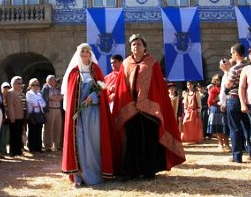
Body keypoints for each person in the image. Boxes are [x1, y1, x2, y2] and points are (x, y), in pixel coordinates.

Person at [112, 34, 185, 179]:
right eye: (133, 44)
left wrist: (150, 103)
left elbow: (158, 87)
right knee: (132, 141)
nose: (136, 46)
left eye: (139, 44)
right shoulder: (126, 64)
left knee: (149, 141)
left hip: (149, 111)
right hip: (131, 110)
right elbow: (121, 86)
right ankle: (131, 171)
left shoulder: (153, 63)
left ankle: (148, 170)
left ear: (145, 47)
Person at [61, 43, 115, 186]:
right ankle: (79, 177)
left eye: (87, 52)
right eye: (82, 51)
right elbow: (70, 94)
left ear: (90, 54)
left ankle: (95, 174)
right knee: (78, 142)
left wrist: (94, 96)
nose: (85, 54)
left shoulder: (95, 70)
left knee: (94, 142)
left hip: (93, 113)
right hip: (78, 115)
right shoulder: (73, 72)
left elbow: (103, 91)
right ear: (78, 54)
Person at [225, 43, 251, 163]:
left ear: (236, 54)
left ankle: (237, 156)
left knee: (235, 128)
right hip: (248, 98)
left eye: (232, 53)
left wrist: (226, 71)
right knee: (249, 127)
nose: (231, 55)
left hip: (235, 98)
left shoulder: (234, 69)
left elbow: (228, 84)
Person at [207, 74, 230, 152]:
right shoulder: (225, 88)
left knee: (219, 129)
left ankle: (221, 145)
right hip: (222, 109)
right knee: (224, 128)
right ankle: (226, 145)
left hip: (216, 109)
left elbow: (210, 101)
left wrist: (211, 107)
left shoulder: (213, 89)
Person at [43, 75, 63, 152]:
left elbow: (60, 97)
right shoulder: (46, 89)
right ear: (49, 81)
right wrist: (57, 97)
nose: (55, 81)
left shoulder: (57, 90)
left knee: (57, 128)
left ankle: (56, 145)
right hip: (50, 110)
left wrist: (57, 97)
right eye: (53, 80)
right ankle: (48, 146)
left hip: (58, 110)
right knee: (49, 128)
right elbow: (53, 98)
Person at [6, 76, 25, 157]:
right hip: (14, 117)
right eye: (18, 83)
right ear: (13, 84)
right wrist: (12, 116)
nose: (20, 85)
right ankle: (13, 151)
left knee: (19, 134)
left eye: (21, 83)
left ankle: (18, 150)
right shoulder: (10, 92)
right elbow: (10, 106)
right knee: (14, 135)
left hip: (20, 116)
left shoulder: (20, 93)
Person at [26, 78, 45, 153]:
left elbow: (43, 104)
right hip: (32, 115)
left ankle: (39, 147)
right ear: (30, 86)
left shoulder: (39, 94)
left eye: (37, 85)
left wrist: (38, 104)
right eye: (33, 85)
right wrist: (38, 103)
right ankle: (32, 148)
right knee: (32, 131)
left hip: (39, 114)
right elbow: (33, 103)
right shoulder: (29, 93)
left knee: (39, 131)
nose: (35, 86)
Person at [0, 82, 11, 158]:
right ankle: (0, 150)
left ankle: (4, 150)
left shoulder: (10, 97)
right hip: (1, 118)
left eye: (8, 88)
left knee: (6, 135)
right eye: (5, 88)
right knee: (1, 135)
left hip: (8, 119)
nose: (6, 89)